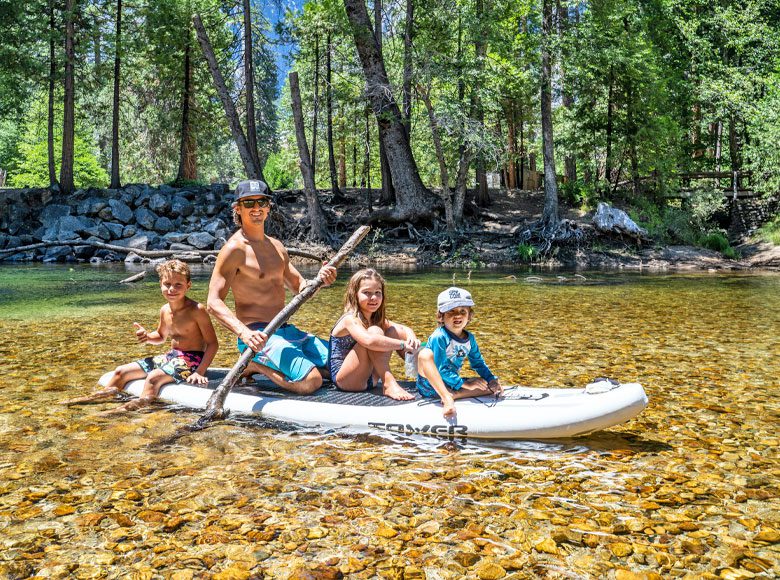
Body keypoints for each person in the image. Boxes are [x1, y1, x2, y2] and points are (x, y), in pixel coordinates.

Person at [207, 179, 337, 394]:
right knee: (311, 382)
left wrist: (320, 280)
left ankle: (283, 365)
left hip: (287, 331)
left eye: (262, 202)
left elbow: (300, 288)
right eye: (248, 203)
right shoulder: (234, 249)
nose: (256, 208)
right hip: (258, 336)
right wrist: (244, 334)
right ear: (237, 208)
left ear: (268, 207)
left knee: (345, 368)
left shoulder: (277, 246)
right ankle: (254, 365)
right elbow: (213, 302)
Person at [61, 259, 218, 414]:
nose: (172, 289)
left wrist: (199, 371)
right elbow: (161, 336)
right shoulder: (165, 310)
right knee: (120, 371)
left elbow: (212, 344)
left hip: (192, 359)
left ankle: (124, 410)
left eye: (178, 285)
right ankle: (97, 398)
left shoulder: (197, 310)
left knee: (153, 378)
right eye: (167, 284)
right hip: (171, 356)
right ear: (160, 285)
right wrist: (148, 336)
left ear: (188, 286)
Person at [329, 269, 420, 401]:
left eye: (378, 293)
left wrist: (411, 337)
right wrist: (402, 344)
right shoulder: (350, 319)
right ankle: (388, 382)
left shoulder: (374, 319)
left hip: (370, 378)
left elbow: (403, 329)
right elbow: (369, 340)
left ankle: (420, 375)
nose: (374, 298)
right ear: (354, 294)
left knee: (393, 331)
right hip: (347, 381)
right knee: (375, 332)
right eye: (367, 293)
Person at [416, 286, 502, 418]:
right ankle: (447, 398)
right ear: (441, 316)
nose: (458, 315)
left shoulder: (470, 339)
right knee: (425, 354)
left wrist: (491, 379)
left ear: (469, 316)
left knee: (492, 387)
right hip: (430, 385)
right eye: (451, 311)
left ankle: (456, 394)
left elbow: (478, 363)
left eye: (463, 311)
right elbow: (440, 369)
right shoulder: (439, 337)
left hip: (452, 383)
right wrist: (465, 384)